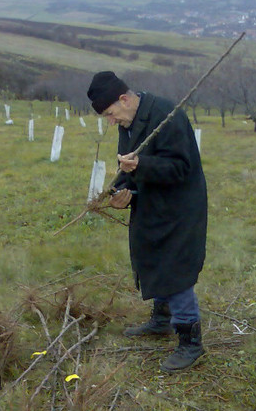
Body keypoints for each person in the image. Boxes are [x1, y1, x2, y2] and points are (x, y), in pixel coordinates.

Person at [86, 71, 208, 372]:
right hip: (151, 204)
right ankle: (162, 320)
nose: (111, 121)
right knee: (152, 257)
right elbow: (128, 167)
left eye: (111, 114)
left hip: (180, 207)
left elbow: (181, 168)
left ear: (124, 99)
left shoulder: (167, 116)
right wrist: (123, 190)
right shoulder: (128, 121)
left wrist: (142, 164)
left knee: (175, 270)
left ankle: (190, 342)